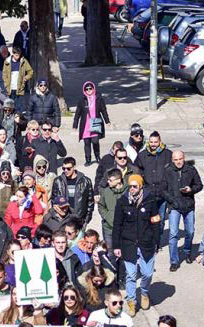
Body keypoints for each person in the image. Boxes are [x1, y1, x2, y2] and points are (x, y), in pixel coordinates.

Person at [113, 173, 164, 312]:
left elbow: (155, 222)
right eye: (130, 186)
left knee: (147, 273)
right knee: (131, 274)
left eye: (135, 186)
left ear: (140, 186)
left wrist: (156, 242)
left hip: (146, 242)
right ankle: (131, 300)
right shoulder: (122, 202)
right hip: (128, 243)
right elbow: (117, 225)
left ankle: (144, 292)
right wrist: (116, 246)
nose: (132, 189)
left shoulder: (150, 201)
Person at [162, 150, 200, 271]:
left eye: (180, 159)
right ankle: (174, 261)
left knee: (190, 231)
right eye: (175, 160)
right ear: (172, 160)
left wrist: (191, 189)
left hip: (188, 206)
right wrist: (172, 200)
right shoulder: (167, 171)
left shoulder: (191, 170)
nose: (178, 162)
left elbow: (199, 185)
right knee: (173, 234)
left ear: (184, 158)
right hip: (174, 207)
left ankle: (187, 251)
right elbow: (163, 190)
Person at [73, 81, 110, 166]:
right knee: (87, 142)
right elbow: (77, 113)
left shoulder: (98, 98)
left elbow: (103, 110)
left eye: (90, 88)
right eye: (87, 89)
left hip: (95, 122)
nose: (89, 90)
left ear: (93, 89)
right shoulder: (82, 99)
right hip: (85, 123)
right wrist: (75, 125)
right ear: (84, 90)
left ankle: (97, 157)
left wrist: (107, 121)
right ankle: (88, 159)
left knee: (95, 141)